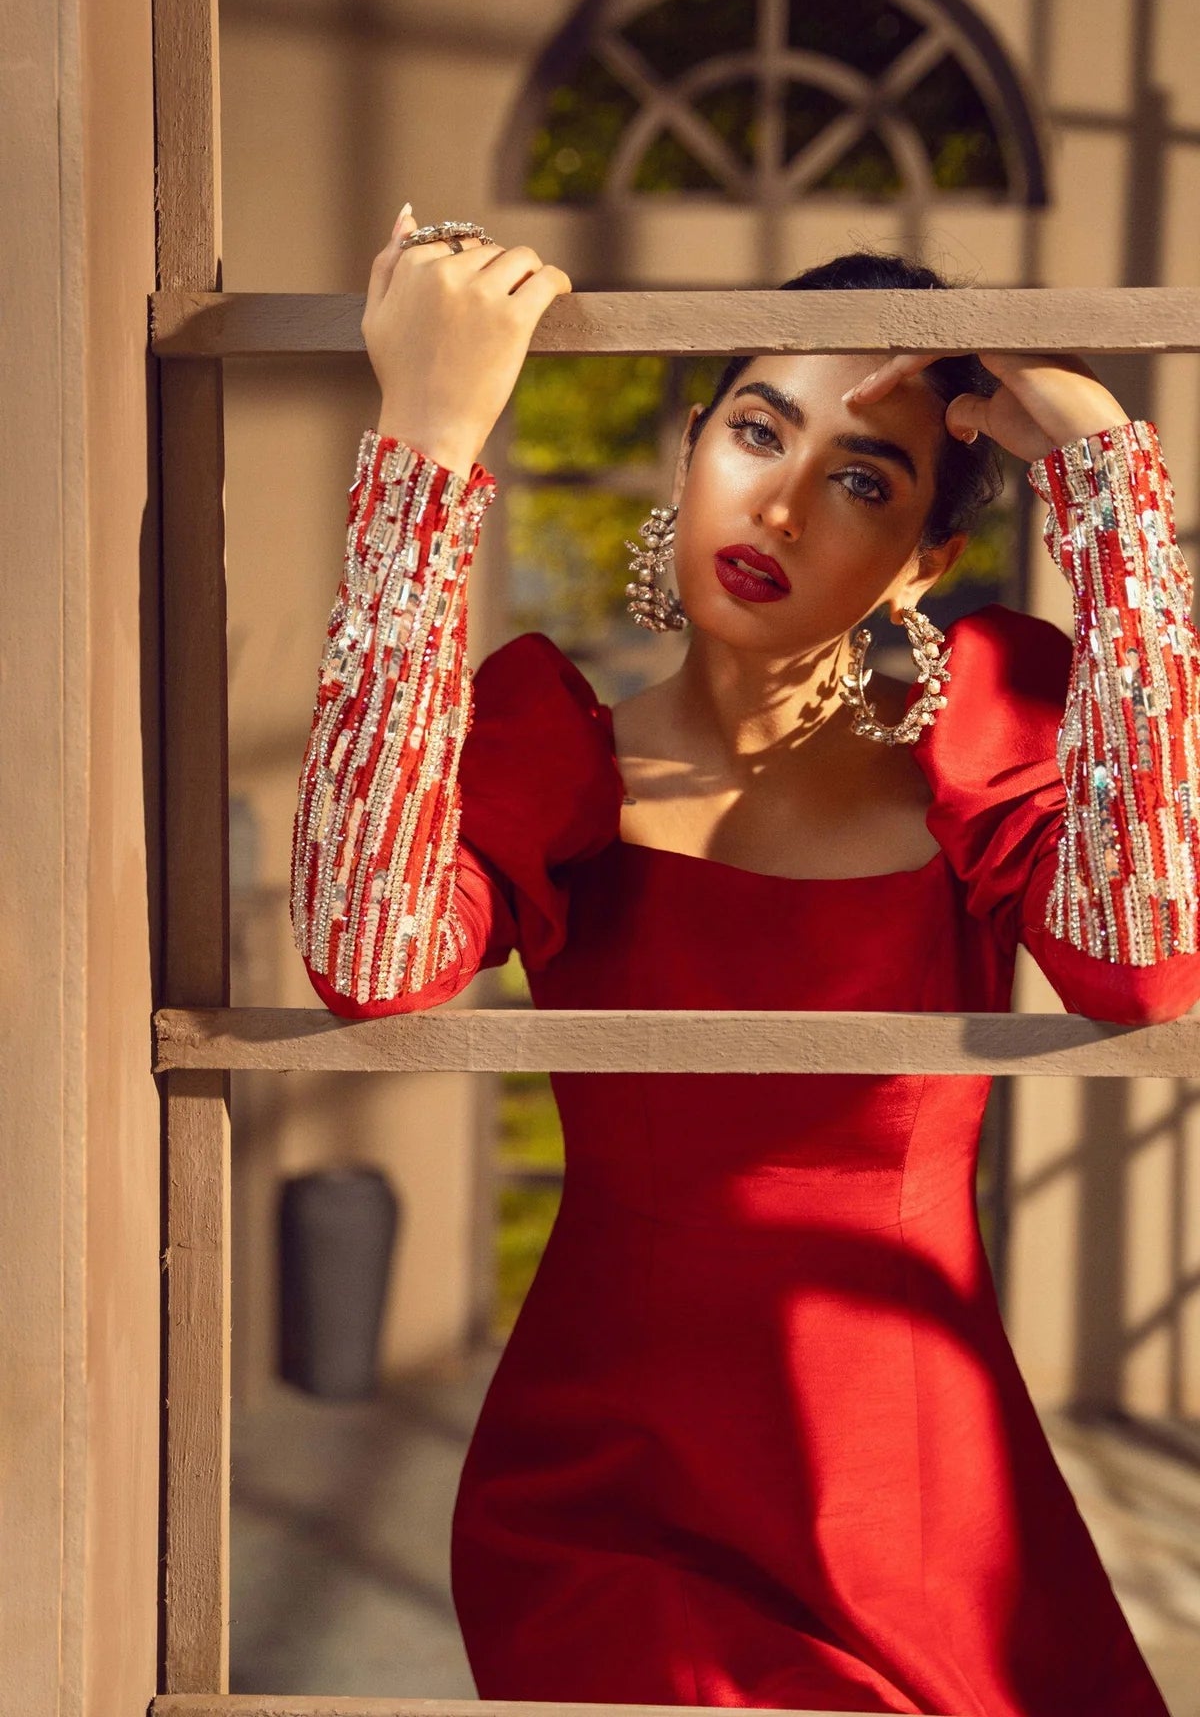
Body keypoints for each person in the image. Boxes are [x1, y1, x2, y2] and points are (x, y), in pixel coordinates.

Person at [289, 203, 1200, 1717]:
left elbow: (1152, 970)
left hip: (920, 1515)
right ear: (688, 445)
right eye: (756, 431)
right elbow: (362, 956)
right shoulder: (554, 757)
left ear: (928, 561)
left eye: (860, 478)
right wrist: (429, 434)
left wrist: (1109, 471)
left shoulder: (976, 768)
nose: (778, 508)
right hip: (610, 1503)